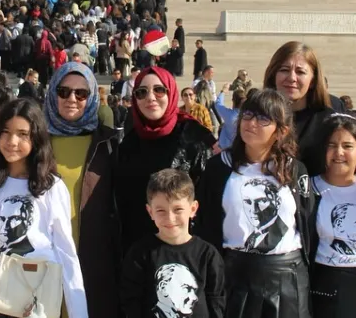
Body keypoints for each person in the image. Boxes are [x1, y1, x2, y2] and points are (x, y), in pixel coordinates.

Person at [195, 88, 313, 318]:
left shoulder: (295, 170)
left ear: (281, 131)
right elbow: (205, 225)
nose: (251, 123)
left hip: (287, 277)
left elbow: (306, 223)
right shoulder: (219, 167)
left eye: (263, 118)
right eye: (247, 115)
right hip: (236, 275)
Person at [0, 99, 87, 318]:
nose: (12, 141)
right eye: (5, 132)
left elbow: (65, 251)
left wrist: (78, 312)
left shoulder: (51, 187)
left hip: (40, 298)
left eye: (22, 134)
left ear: (36, 138)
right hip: (1, 298)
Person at [45, 62, 121, 318]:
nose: (72, 99)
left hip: (93, 262)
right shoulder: (35, 143)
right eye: (64, 91)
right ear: (53, 92)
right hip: (47, 262)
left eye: (81, 93)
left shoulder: (107, 143)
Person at [115, 66, 217, 255]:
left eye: (159, 90)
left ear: (171, 93)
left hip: (185, 253)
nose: (151, 97)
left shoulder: (195, 137)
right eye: (142, 92)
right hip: (138, 254)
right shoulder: (128, 142)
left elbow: (210, 202)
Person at [121, 169, 225, 318]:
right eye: (161, 210)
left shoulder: (208, 255)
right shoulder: (140, 254)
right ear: (150, 212)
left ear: (193, 209)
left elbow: (217, 302)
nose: (170, 218)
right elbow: (131, 302)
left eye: (178, 209)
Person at [309, 115, 356, 318]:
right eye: (331, 145)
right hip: (325, 289)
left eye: (347, 146)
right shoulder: (308, 190)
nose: (339, 152)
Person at [264, 41, 336, 176]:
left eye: (300, 72)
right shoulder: (258, 117)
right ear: (273, 75)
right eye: (284, 70)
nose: (291, 78)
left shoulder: (328, 121)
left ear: (313, 80)